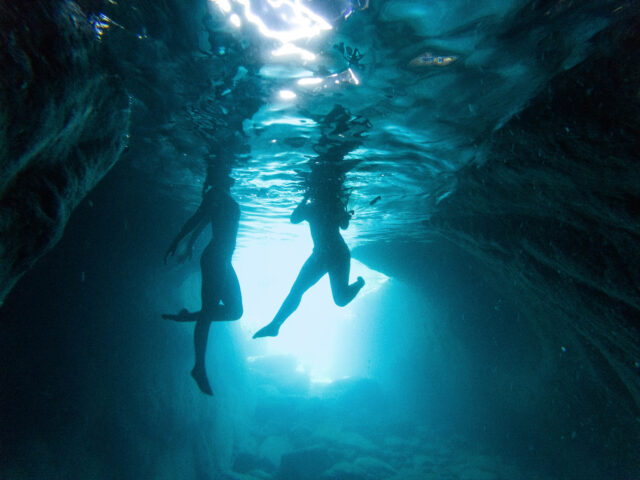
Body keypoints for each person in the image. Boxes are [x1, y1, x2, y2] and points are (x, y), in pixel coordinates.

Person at [163, 164, 243, 395]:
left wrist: (189, 242)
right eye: (227, 171)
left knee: (235, 311)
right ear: (221, 176)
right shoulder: (216, 193)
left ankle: (187, 317)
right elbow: (197, 218)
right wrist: (179, 240)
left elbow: (204, 220)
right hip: (216, 259)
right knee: (209, 314)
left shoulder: (219, 196)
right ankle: (198, 367)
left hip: (223, 260)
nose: (232, 176)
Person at [253, 179, 365, 339]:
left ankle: (360, 283)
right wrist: (306, 198)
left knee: (339, 300)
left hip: (338, 255)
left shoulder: (331, 205)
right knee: (297, 290)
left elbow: (342, 225)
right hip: (320, 255)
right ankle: (275, 325)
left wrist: (342, 216)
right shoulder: (314, 206)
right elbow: (294, 219)